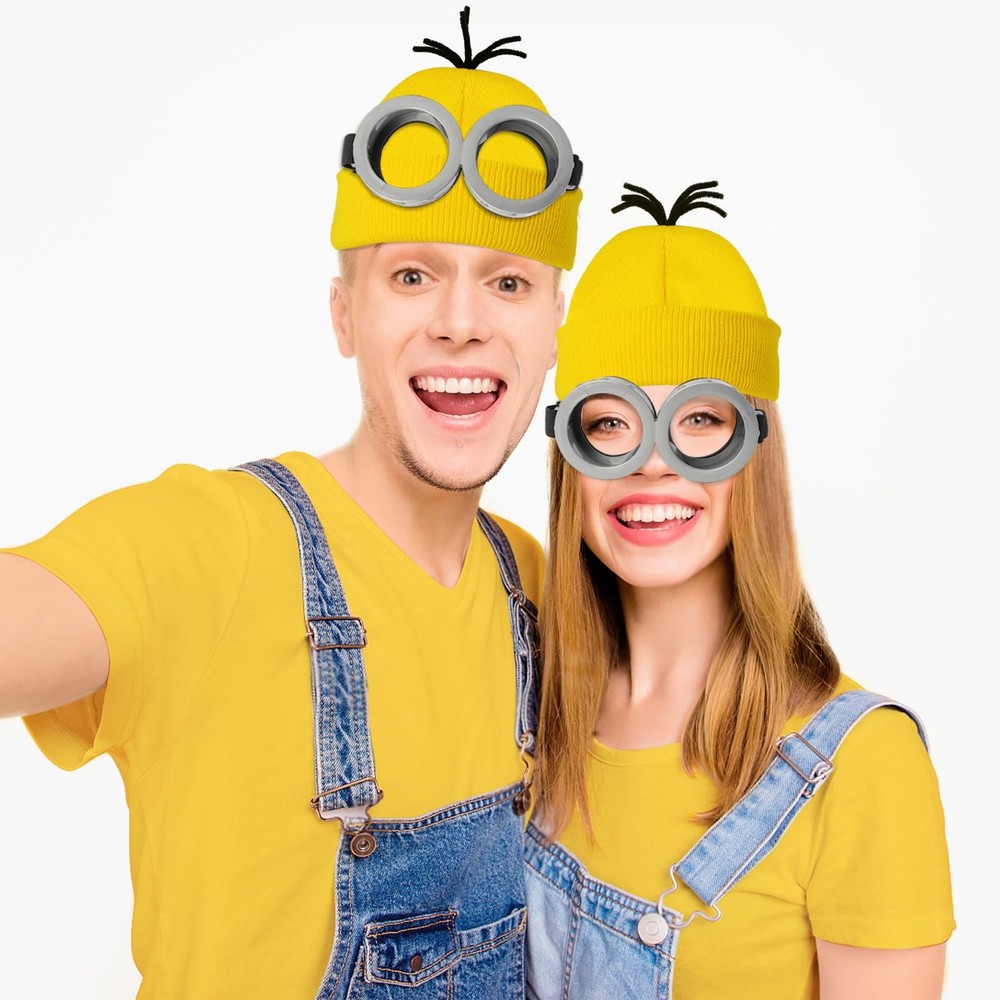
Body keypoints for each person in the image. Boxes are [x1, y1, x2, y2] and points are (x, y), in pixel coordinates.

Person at [0, 8, 582, 998]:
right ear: (345, 315)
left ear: (554, 323)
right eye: (412, 274)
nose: (460, 321)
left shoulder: (535, 585)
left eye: (508, 283)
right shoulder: (213, 546)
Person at [525, 181, 954, 1000]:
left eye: (699, 421)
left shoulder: (863, 767)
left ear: (755, 448)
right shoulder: (529, 712)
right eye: (610, 423)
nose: (653, 462)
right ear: (569, 456)